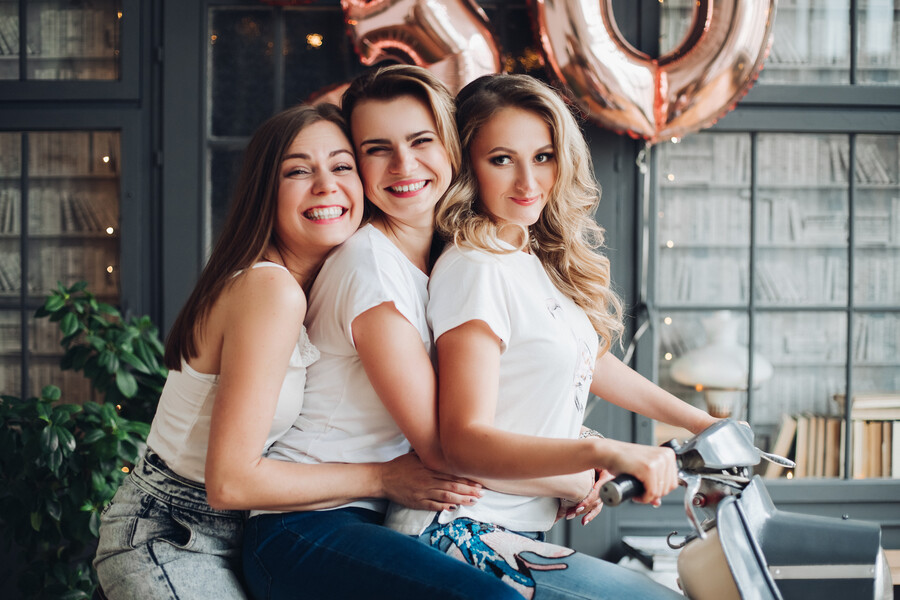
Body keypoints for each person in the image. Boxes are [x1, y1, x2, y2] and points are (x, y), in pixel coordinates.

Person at [242, 65, 601, 600]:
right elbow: (445, 450)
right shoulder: (371, 268)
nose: (404, 165)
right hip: (304, 524)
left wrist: (578, 447)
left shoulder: (440, 259)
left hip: (374, 514)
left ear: (452, 147)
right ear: (357, 164)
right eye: (377, 149)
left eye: (421, 141)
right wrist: (576, 474)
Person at [93, 103, 471, 599]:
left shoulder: (328, 282)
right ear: (264, 192)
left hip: (240, 531)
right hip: (174, 533)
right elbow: (229, 482)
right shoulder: (269, 291)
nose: (325, 185)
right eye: (298, 171)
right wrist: (383, 478)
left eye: (341, 166)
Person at [419, 73, 721, 599]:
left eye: (543, 156)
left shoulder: (523, 257)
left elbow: (591, 361)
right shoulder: (475, 267)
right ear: (467, 167)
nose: (528, 182)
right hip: (463, 530)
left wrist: (703, 423)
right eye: (501, 159)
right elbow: (463, 440)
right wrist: (606, 453)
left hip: (521, 527)